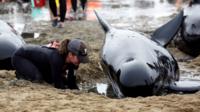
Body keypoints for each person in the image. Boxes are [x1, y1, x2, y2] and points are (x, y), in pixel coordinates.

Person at [12, 38, 89, 89]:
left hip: (39, 62)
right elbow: (58, 85)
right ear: (70, 54)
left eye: (82, 59)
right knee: (38, 78)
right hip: (20, 56)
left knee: (59, 80)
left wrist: (77, 90)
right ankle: (20, 74)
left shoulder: (74, 63)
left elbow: (71, 82)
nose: (80, 61)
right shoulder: (57, 59)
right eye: (79, 58)